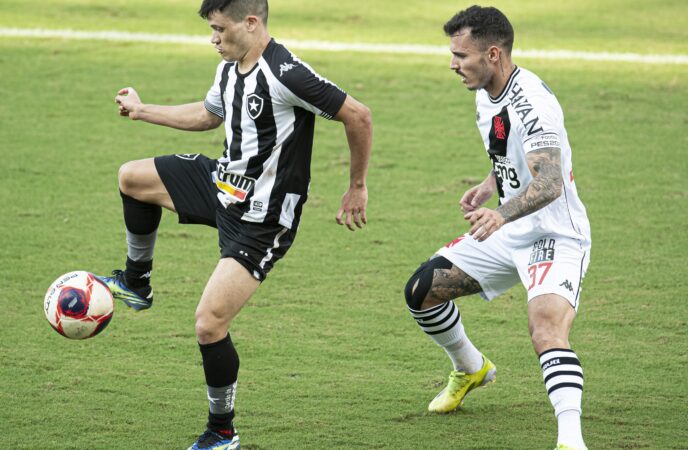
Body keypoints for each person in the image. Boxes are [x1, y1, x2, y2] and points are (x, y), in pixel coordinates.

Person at [97, 0, 372, 448]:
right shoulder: (230, 67)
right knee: (132, 178)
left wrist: (356, 185)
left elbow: (358, 114)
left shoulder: (287, 73)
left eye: (220, 29)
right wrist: (144, 110)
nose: (213, 38)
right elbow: (209, 115)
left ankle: (222, 432)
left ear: (251, 22)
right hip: (221, 184)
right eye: (211, 29)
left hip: (261, 220)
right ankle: (135, 283)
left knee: (209, 323)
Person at [403, 6, 591, 450]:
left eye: (460, 55)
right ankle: (471, 368)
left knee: (545, 330)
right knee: (422, 289)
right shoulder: (486, 89)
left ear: (492, 53)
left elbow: (548, 181)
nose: (453, 64)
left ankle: (571, 440)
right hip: (506, 228)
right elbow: (511, 153)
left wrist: (500, 214)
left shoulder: (533, 103)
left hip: (553, 235)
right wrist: (492, 184)